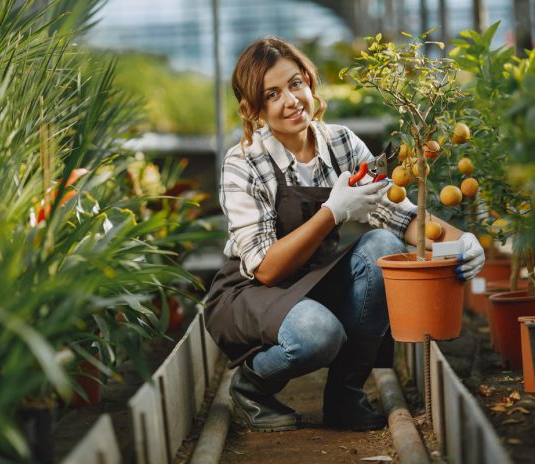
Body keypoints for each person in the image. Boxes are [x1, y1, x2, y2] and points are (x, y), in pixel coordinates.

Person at [204, 37, 484, 432]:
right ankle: (252, 386)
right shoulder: (245, 162)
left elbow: (400, 214)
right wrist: (332, 211)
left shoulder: (340, 144)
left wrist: (461, 242)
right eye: (273, 94)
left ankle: (345, 396)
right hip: (249, 290)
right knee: (318, 333)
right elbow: (266, 269)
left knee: (383, 245)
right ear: (255, 109)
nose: (291, 100)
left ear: (310, 83)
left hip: (312, 277)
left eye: (296, 84)